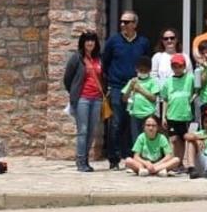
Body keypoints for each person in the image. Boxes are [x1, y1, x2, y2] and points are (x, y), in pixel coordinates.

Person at [101, 9, 152, 170]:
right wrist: (110, 82)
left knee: (134, 123)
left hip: (137, 87)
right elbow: (105, 63)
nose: (123, 24)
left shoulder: (143, 42)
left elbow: (147, 63)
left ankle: (132, 157)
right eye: (122, 21)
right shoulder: (113, 41)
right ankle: (114, 159)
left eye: (127, 22)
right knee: (116, 123)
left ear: (135, 24)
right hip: (118, 87)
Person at [61, 31, 105, 172]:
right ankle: (80, 161)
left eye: (92, 40)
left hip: (97, 98)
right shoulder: (77, 58)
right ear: (83, 43)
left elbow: (103, 76)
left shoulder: (99, 58)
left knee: (91, 131)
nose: (90, 43)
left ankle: (85, 159)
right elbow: (67, 79)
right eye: (87, 40)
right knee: (83, 130)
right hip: (83, 99)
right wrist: (74, 92)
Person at [161, 53, 198, 167]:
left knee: (182, 140)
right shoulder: (168, 82)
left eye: (180, 66)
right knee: (173, 139)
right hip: (172, 115)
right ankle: (173, 162)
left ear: (184, 66)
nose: (177, 69)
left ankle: (180, 163)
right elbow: (165, 99)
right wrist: (163, 116)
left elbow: (198, 89)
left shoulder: (190, 78)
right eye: (174, 66)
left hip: (184, 115)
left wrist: (194, 96)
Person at [122, 56, 162, 155]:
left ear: (149, 70)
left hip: (148, 115)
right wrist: (130, 88)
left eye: (145, 70)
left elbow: (153, 98)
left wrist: (140, 90)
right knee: (136, 139)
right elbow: (124, 99)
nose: (143, 72)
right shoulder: (132, 81)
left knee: (149, 137)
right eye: (141, 70)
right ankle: (137, 157)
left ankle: (150, 157)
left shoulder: (152, 81)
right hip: (135, 114)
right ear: (136, 69)